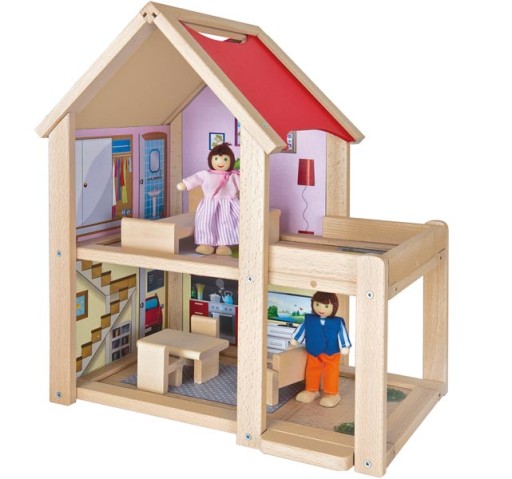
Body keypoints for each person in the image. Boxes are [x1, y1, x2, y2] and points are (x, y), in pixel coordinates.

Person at [290, 291, 351, 407]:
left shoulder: (337, 322)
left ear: (334, 306)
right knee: (312, 369)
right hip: (313, 350)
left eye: (326, 306)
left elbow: (342, 334)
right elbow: (302, 330)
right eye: (317, 304)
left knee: (331, 371)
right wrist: (295, 339)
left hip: (331, 352)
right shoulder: (309, 319)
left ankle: (332, 393)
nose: (321, 309)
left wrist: (344, 346)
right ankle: (311, 390)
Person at [177, 143, 240, 255]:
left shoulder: (233, 176)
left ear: (231, 160)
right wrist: (185, 184)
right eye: (216, 159)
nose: (220, 162)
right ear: (211, 160)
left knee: (227, 223)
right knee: (205, 222)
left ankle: (224, 245)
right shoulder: (205, 174)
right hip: (210, 204)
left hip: (228, 205)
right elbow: (195, 179)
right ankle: (206, 243)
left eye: (225, 159)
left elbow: (244, 185)